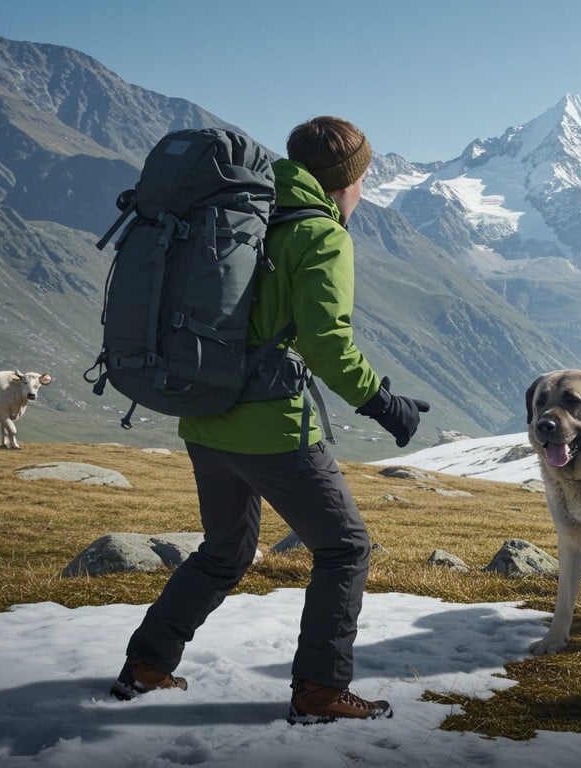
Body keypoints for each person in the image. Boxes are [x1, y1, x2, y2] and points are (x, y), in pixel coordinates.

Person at [110, 116, 429, 724]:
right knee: (345, 548)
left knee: (226, 549)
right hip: (273, 429)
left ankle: (147, 665)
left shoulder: (235, 209)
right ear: (347, 181)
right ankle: (319, 691)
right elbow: (328, 344)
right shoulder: (319, 236)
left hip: (203, 416)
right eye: (363, 179)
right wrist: (384, 404)